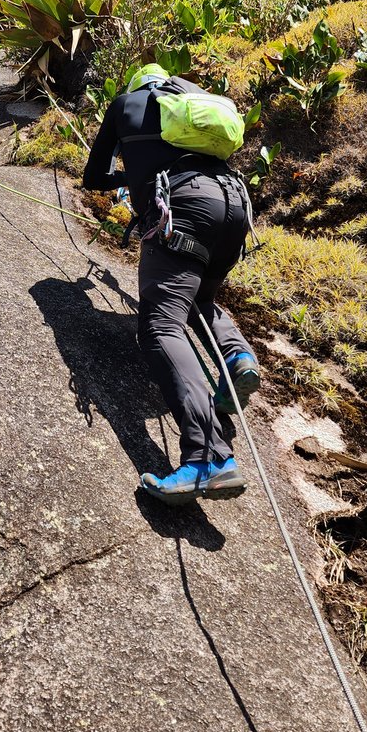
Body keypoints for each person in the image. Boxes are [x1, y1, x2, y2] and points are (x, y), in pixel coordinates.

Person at [82, 64, 260, 504]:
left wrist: (131, 180)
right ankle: (237, 355)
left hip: (183, 203)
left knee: (161, 325)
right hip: (234, 203)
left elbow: (93, 179)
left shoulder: (126, 103)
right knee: (200, 295)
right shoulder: (192, 101)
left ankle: (208, 458)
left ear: (135, 87)